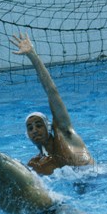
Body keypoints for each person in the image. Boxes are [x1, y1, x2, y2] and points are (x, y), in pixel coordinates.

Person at [11, 33, 94, 175]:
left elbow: (52, 91)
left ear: (48, 127)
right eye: (30, 128)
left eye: (38, 125)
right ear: (27, 134)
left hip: (101, 179)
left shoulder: (65, 134)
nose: (35, 130)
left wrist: (32, 55)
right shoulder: (36, 164)